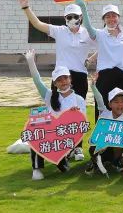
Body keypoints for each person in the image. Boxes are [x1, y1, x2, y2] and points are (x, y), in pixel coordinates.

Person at [23, 49, 86, 180]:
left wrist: (74, 116)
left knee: (64, 169)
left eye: (65, 78)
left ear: (70, 79)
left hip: (66, 138)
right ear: (55, 83)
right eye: (59, 80)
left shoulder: (78, 99)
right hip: (49, 135)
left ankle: (64, 158)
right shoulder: (49, 96)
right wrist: (31, 62)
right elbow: (37, 81)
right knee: (36, 133)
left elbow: (82, 126)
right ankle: (37, 169)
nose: (63, 82)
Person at [18, 0, 94, 101]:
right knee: (57, 107)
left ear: (81, 17)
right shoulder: (59, 31)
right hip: (60, 76)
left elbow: (103, 44)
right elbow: (37, 24)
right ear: (65, 18)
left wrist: (91, 59)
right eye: (69, 17)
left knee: (78, 109)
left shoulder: (88, 33)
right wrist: (26, 8)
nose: (73, 19)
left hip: (80, 76)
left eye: (76, 16)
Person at [77, 0, 123, 122]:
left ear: (118, 17)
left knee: (120, 109)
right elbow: (88, 27)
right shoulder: (100, 34)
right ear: (104, 19)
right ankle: (100, 134)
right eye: (107, 16)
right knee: (102, 108)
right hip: (105, 75)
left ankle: (119, 133)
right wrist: (83, 7)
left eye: (114, 16)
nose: (111, 19)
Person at [87, 84, 123, 175]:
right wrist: (93, 86)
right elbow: (99, 99)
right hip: (99, 148)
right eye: (116, 102)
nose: (120, 104)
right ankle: (95, 162)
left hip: (113, 151)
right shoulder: (104, 113)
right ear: (110, 104)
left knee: (120, 142)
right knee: (93, 146)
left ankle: (116, 162)